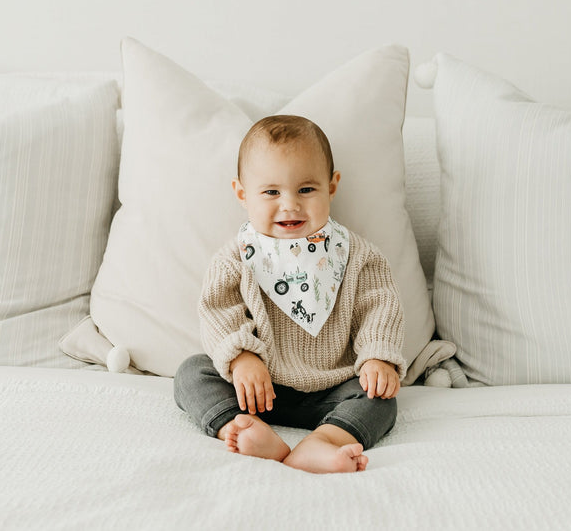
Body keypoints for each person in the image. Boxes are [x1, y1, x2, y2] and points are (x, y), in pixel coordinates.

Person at [174, 115, 406, 473]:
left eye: (306, 189)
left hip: (332, 388)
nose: (290, 205)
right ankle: (244, 429)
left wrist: (378, 358)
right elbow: (219, 312)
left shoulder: (358, 256)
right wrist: (240, 359)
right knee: (192, 373)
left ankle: (324, 441)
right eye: (271, 192)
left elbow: (380, 307)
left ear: (331, 187)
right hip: (257, 389)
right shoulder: (235, 259)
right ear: (242, 194)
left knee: (380, 398)